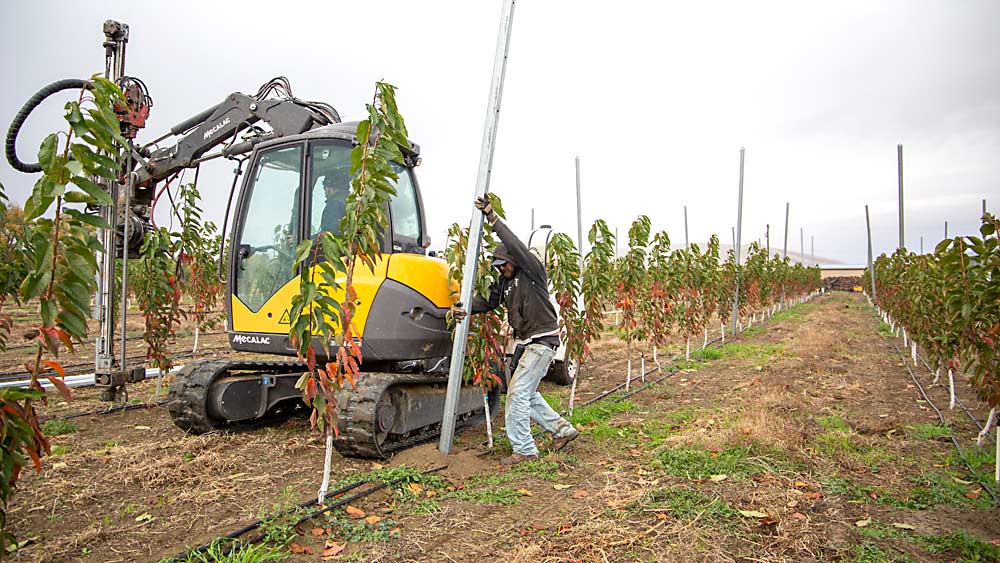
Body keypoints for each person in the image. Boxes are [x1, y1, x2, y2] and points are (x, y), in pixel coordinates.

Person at [451, 195, 580, 466]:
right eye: (498, 267)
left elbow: (515, 245)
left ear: (514, 261)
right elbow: (488, 302)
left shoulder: (532, 271)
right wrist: (464, 308)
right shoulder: (506, 283)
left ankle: (524, 449)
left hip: (541, 340)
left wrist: (492, 217)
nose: (503, 269)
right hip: (528, 344)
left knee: (518, 394)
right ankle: (562, 431)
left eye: (505, 264)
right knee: (527, 394)